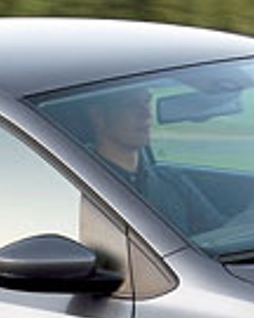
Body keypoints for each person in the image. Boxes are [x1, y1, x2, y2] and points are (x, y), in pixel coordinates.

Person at [81, 88, 224, 236]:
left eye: (147, 102)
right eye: (131, 104)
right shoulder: (80, 186)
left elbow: (219, 233)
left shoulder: (170, 180)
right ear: (97, 115)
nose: (147, 114)